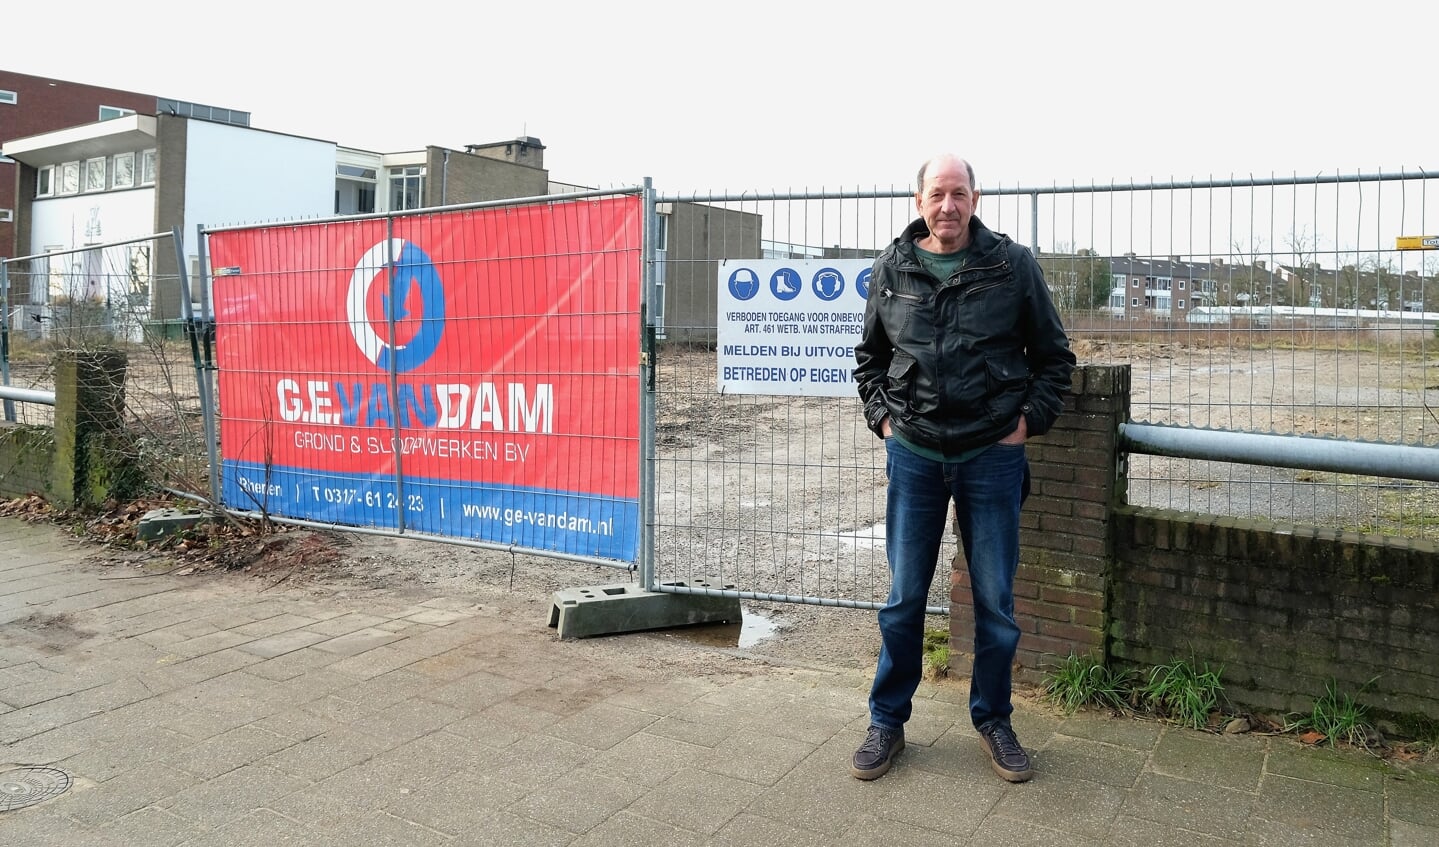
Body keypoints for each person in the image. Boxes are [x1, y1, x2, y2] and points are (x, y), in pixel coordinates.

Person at [851, 154, 1075, 782]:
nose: (948, 206)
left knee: (996, 604)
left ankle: (994, 720)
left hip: (990, 457)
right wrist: (885, 421)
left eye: (959, 194)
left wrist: (1026, 422)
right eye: (937, 193)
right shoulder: (891, 268)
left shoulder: (1011, 265)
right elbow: (869, 359)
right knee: (903, 600)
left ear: (976, 198)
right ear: (918, 199)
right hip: (916, 457)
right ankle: (886, 722)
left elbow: (1055, 358)